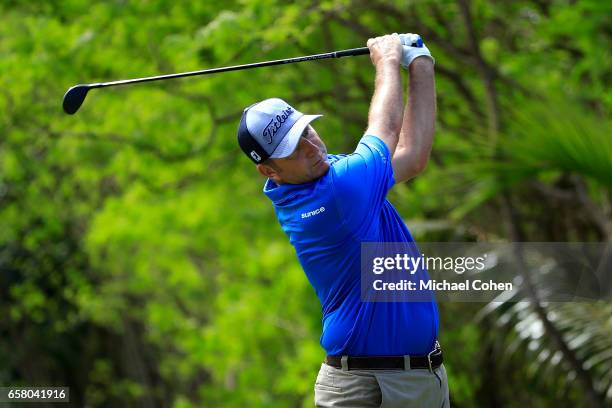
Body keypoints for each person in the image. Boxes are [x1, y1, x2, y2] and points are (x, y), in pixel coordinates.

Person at [237, 33, 449, 407]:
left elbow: (412, 156)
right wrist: (386, 59)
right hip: (377, 384)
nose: (311, 147)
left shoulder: (330, 176)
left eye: (306, 131)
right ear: (269, 171)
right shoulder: (339, 191)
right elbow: (384, 131)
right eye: (293, 148)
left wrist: (420, 62)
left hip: (372, 379)